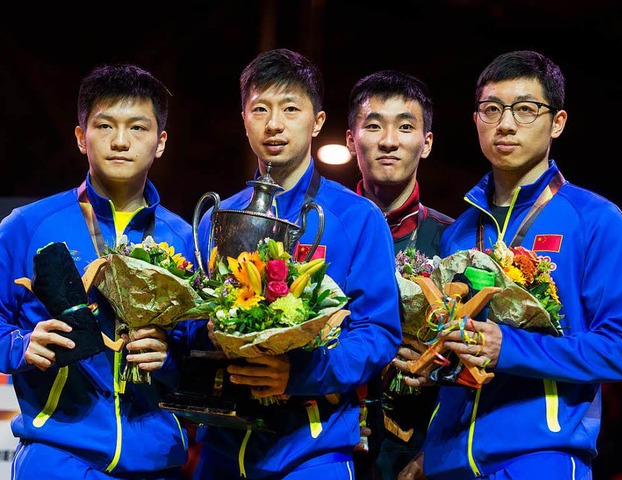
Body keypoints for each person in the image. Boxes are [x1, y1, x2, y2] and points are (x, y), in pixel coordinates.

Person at [399, 50, 622, 479]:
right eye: (491, 110)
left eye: (525, 110)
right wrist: (431, 367)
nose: (505, 124)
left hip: (539, 457)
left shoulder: (596, 221)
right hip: (448, 464)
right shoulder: (459, 232)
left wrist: (507, 348)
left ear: (558, 122)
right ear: (476, 121)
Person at [191, 48, 402, 479]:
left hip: (311, 451)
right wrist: (206, 331)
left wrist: (300, 373)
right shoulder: (219, 218)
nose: (274, 124)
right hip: (221, 449)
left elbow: (378, 332)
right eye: (260, 109)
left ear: (317, 121)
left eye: (290, 109)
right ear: (244, 119)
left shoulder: (357, 218)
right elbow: (191, 317)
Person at [0, 63, 193, 479]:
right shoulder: (27, 225)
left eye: (138, 128)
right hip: (58, 455)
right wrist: (20, 344)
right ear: (80, 137)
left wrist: (169, 360)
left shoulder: (185, 239)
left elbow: (201, 354)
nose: (120, 141)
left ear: (160, 142)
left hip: (158, 459)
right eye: (105, 126)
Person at [345, 70, 453, 479]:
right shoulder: (316, 234)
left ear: (425, 143)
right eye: (374, 125)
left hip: (416, 459)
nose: (389, 140)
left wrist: (435, 456)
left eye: (405, 127)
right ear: (352, 140)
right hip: (324, 449)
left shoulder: (454, 242)